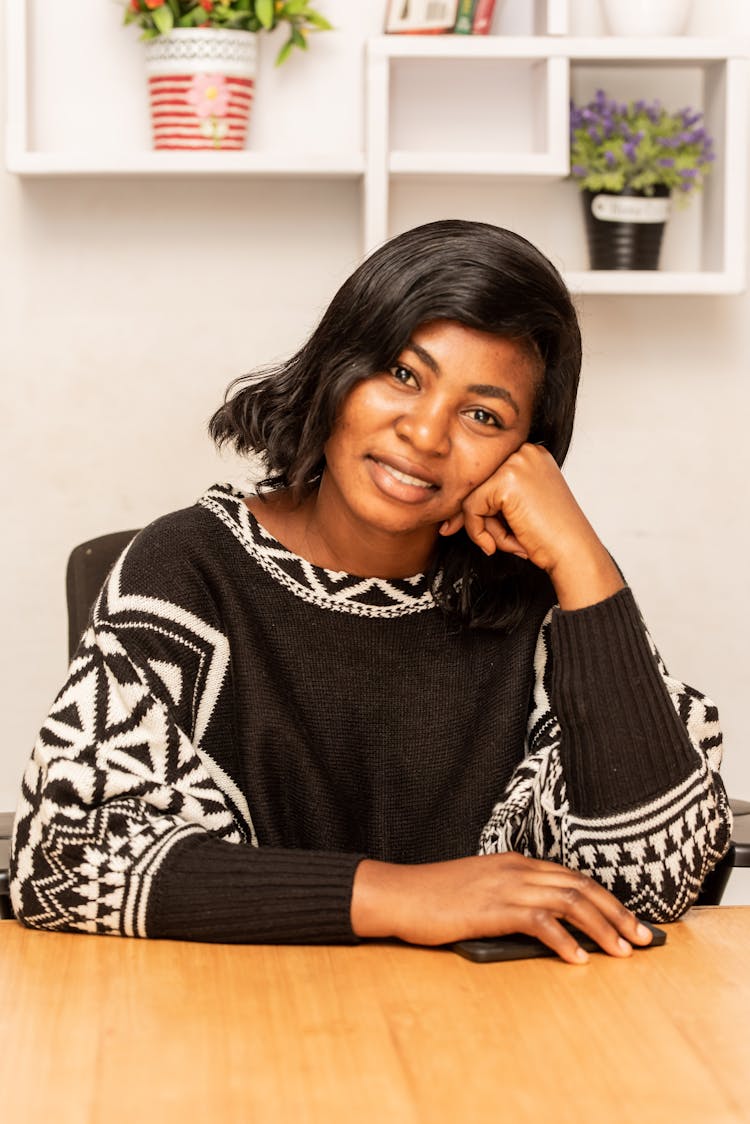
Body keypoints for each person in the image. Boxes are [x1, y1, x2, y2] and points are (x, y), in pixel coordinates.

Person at [10, 219, 731, 964]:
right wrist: (399, 895)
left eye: (483, 415)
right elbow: (63, 859)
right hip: (233, 1031)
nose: (425, 433)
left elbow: (655, 879)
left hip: (500, 1042)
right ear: (337, 368)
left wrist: (582, 557)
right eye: (402, 374)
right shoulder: (188, 569)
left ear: (528, 455)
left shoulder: (548, 603)